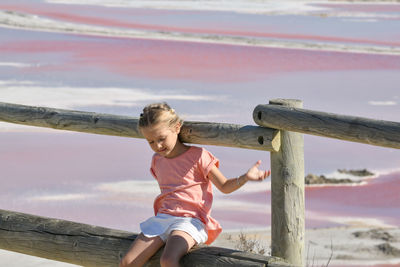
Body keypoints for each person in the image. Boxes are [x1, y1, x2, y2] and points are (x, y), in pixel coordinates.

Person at [120, 103, 270, 267]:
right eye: (151, 142)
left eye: (161, 139)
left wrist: (246, 177)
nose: (157, 146)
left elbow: (225, 186)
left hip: (190, 221)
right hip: (163, 218)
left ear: (177, 127)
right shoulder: (157, 160)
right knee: (128, 262)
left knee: (168, 260)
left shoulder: (199, 156)